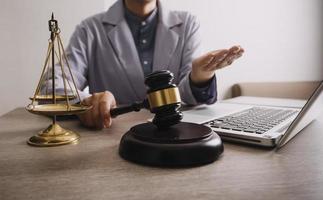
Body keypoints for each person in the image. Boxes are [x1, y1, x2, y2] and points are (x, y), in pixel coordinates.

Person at [55, 0, 244, 129]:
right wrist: (85, 103)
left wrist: (200, 77)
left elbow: (184, 95)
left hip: (175, 137)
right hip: (111, 137)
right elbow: (53, 86)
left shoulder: (187, 23)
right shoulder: (89, 29)